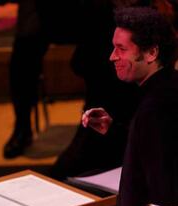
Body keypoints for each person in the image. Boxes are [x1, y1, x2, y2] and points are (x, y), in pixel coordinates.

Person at [82, 6, 178, 206]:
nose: (112, 56)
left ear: (150, 53)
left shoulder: (155, 107)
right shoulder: (167, 91)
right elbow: (159, 151)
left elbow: (165, 187)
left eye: (121, 49)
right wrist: (115, 131)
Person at [50, 0, 143, 180]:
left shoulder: (103, 14)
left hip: (116, 117)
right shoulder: (103, 13)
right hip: (117, 115)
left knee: (66, 177)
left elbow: (79, 63)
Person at [1, 0, 82, 159]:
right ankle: (22, 127)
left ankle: (103, 124)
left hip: (87, 9)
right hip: (44, 13)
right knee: (22, 56)